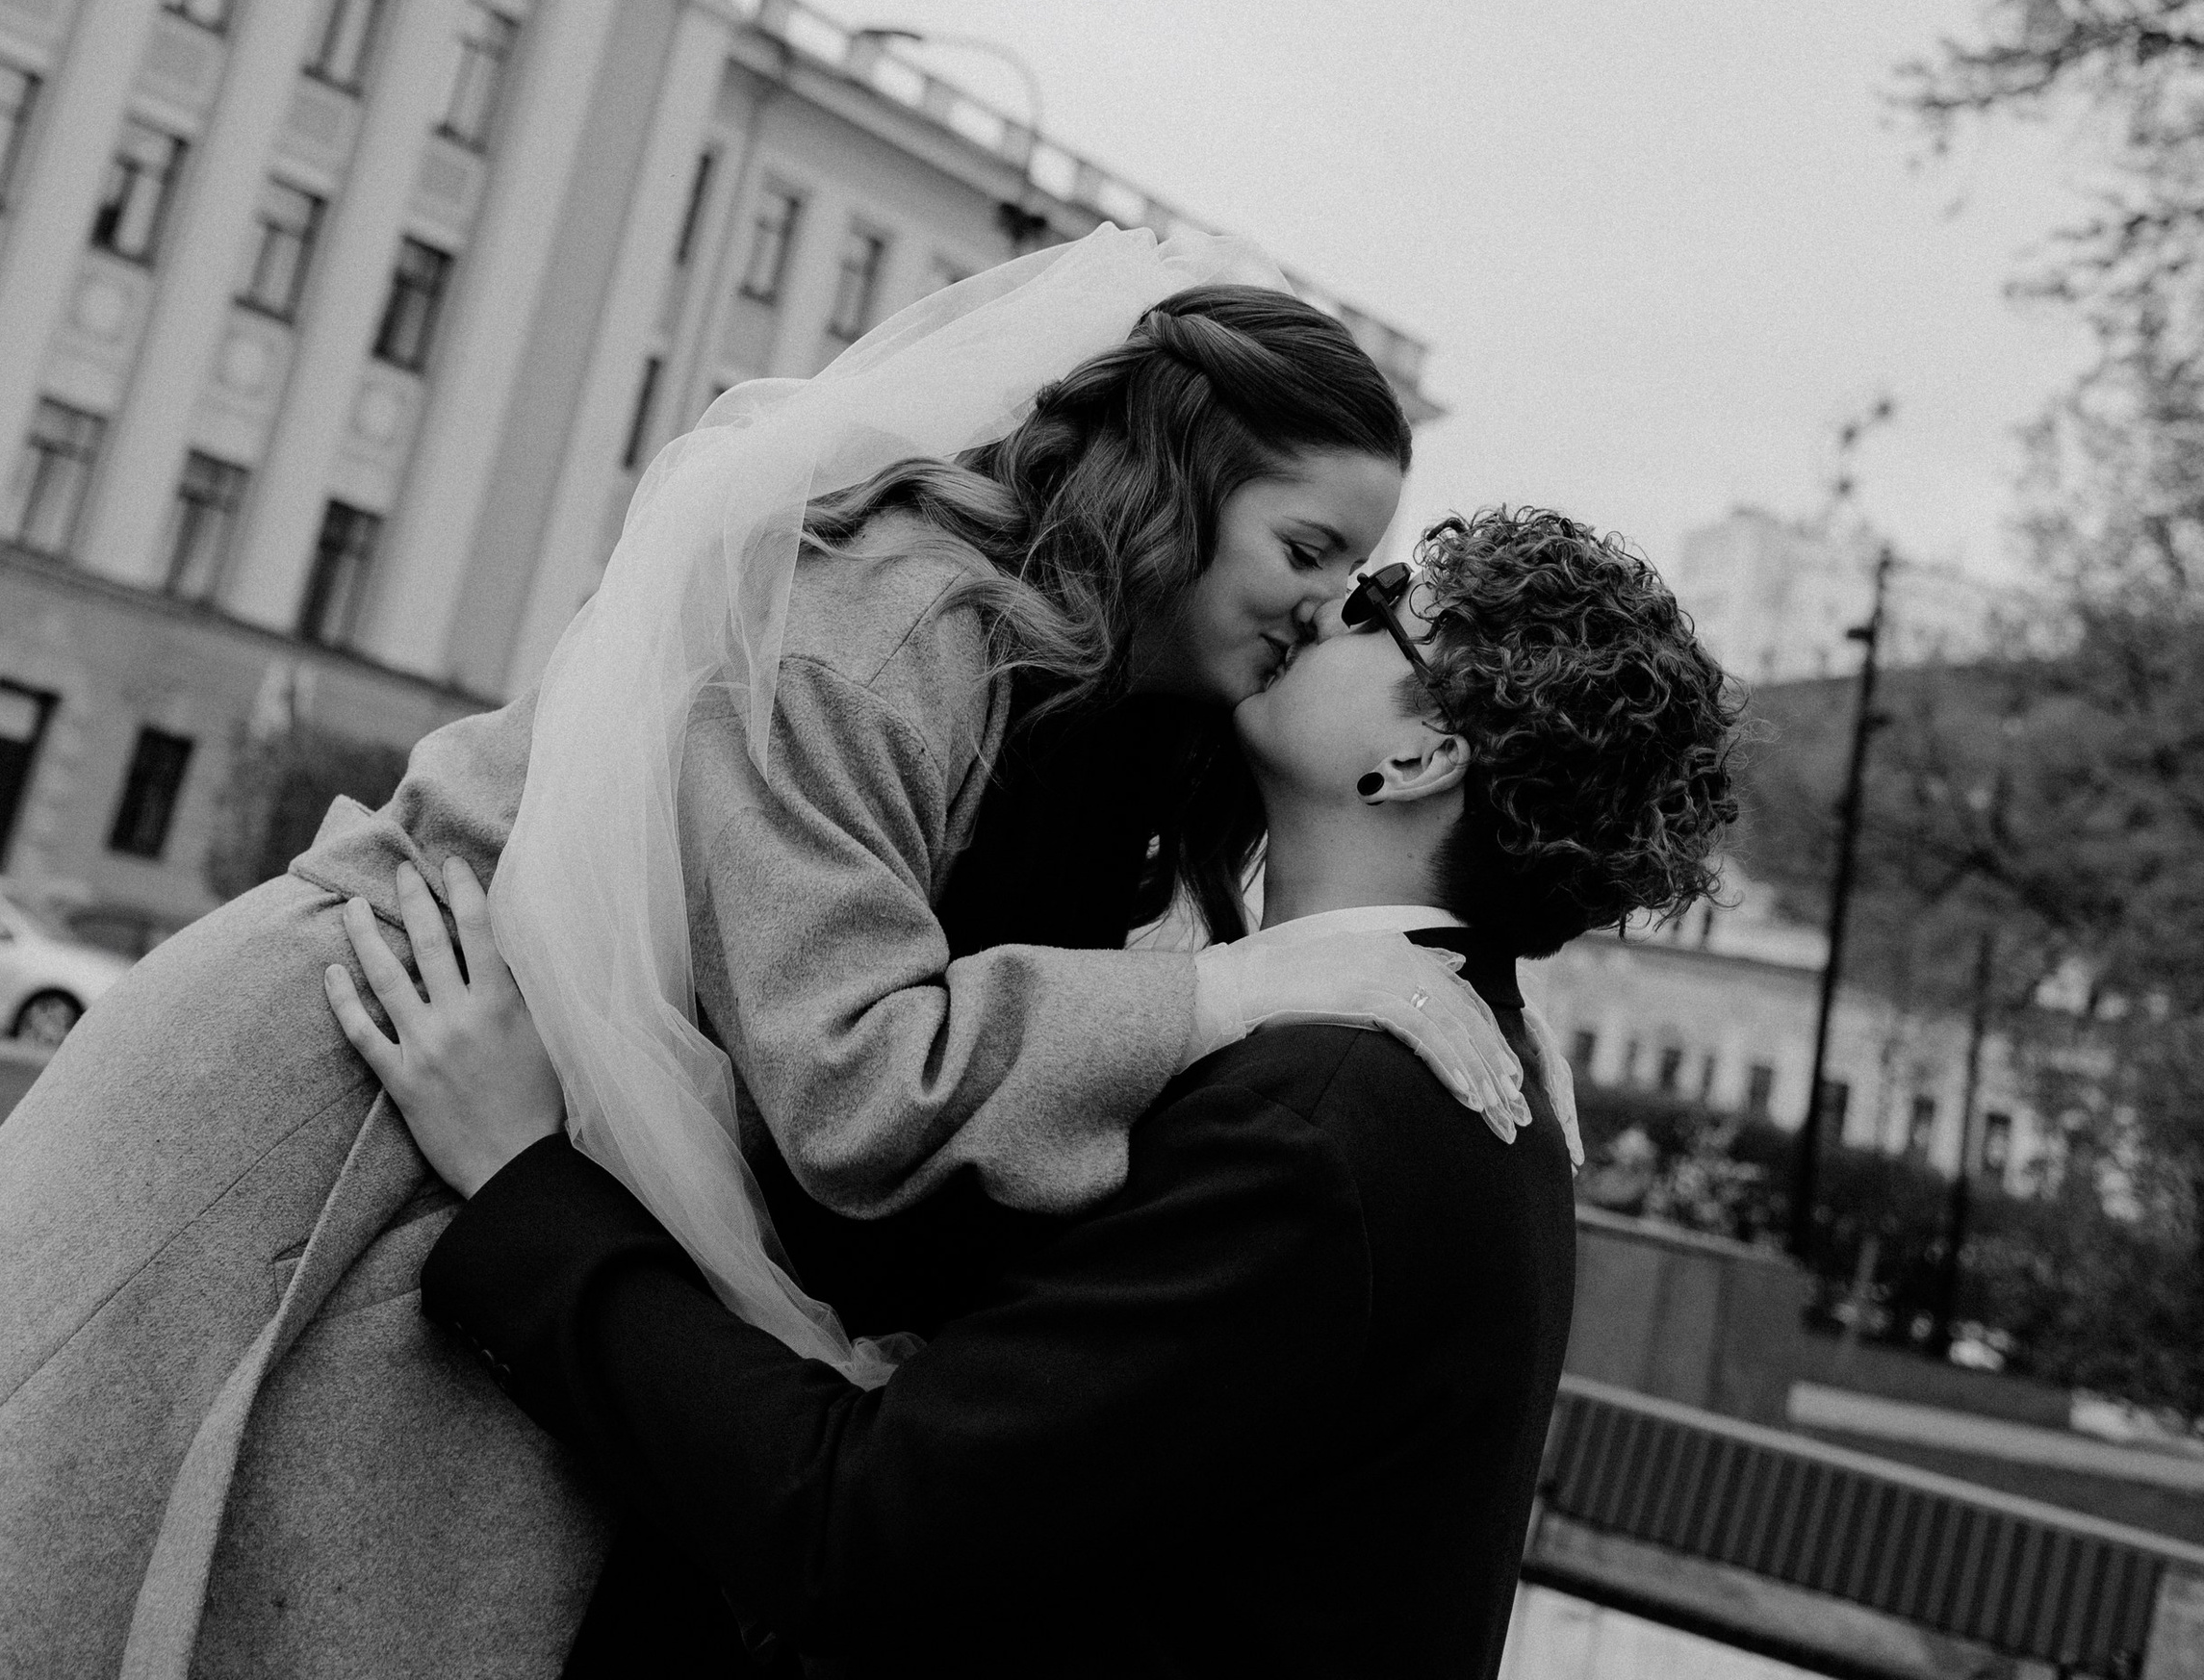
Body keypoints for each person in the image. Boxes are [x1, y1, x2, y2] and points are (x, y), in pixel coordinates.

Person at [0, 226, 1529, 1680]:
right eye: (1311, 547)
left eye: (1357, 576)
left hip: (509, 1121)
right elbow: (852, 1080)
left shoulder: (1117, 708)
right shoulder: (881, 627)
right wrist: (1232, 991)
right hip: (357, 1072)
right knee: (0, 1573)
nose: (1330, 606)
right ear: (1178, 487)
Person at [335, 503, 1737, 1680]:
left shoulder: (1322, 1125)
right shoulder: (1455, 1072)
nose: (1325, 605)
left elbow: (858, 1534)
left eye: (1378, 609)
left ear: (1423, 753)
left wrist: (522, 1179)